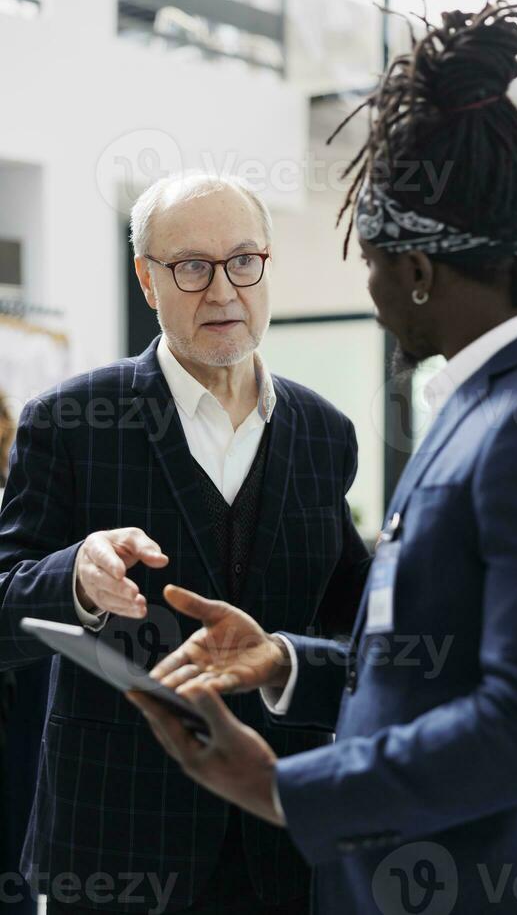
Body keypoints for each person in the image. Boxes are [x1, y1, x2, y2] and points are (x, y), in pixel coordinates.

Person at [128, 0, 517, 915]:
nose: (369, 295)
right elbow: (441, 665)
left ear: (415, 271)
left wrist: (279, 787)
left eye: (369, 264)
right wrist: (286, 659)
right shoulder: (482, 404)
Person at [0, 174, 370, 914]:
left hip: (280, 836)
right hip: (116, 846)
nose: (224, 290)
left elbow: (347, 619)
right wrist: (74, 574)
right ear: (147, 278)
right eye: (192, 267)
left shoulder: (325, 433)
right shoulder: (70, 421)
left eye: (243, 261)